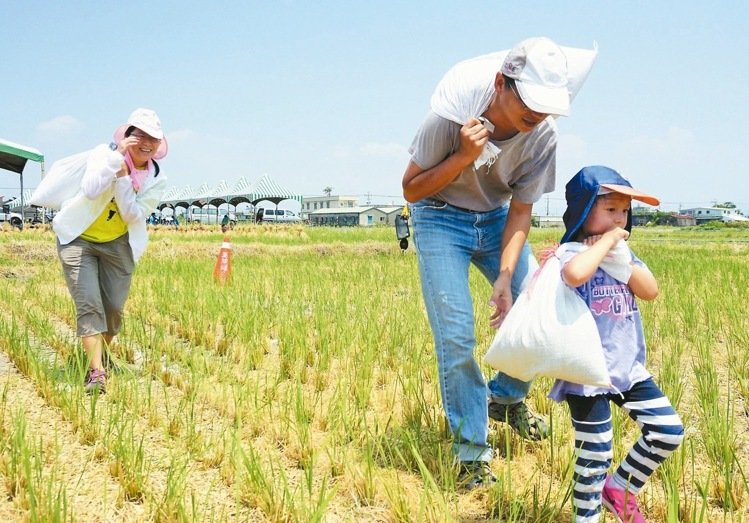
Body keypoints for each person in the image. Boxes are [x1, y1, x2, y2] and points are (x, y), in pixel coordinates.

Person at [402, 37, 595, 488]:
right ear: (501, 84)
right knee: (456, 336)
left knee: (537, 307)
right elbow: (411, 189)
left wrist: (507, 276)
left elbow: (521, 212)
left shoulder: (543, 137)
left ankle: (505, 400)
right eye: (529, 101)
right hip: (438, 217)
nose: (538, 114)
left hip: (496, 221)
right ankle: (471, 451)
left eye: (547, 106)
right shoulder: (450, 117)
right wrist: (463, 157)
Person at [550, 166, 684, 522]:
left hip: (628, 369)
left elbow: (650, 291)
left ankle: (620, 489)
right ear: (583, 209)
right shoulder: (572, 253)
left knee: (668, 430)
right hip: (587, 373)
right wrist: (606, 244)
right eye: (610, 209)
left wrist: (621, 259)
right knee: (594, 456)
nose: (619, 218)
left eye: (624, 211)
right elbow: (574, 274)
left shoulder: (623, 255)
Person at [53, 108, 168, 394]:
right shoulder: (104, 155)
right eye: (139, 135)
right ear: (127, 135)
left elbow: (132, 215)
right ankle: (97, 373)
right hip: (79, 238)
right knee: (89, 304)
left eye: (153, 138)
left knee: (114, 309)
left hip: (118, 243)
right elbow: (92, 190)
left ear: (159, 144)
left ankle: (97, 356)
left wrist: (125, 179)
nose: (145, 143)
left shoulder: (156, 178)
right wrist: (116, 162)